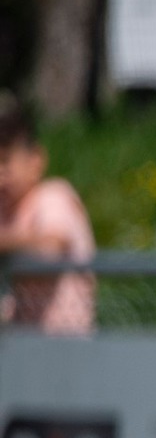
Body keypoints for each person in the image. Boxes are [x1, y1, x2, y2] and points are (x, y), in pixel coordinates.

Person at [0, 94, 95, 335]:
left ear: (36, 160)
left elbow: (50, 250)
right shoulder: (8, 213)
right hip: (26, 347)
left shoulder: (52, 196)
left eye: (5, 161)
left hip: (63, 346)